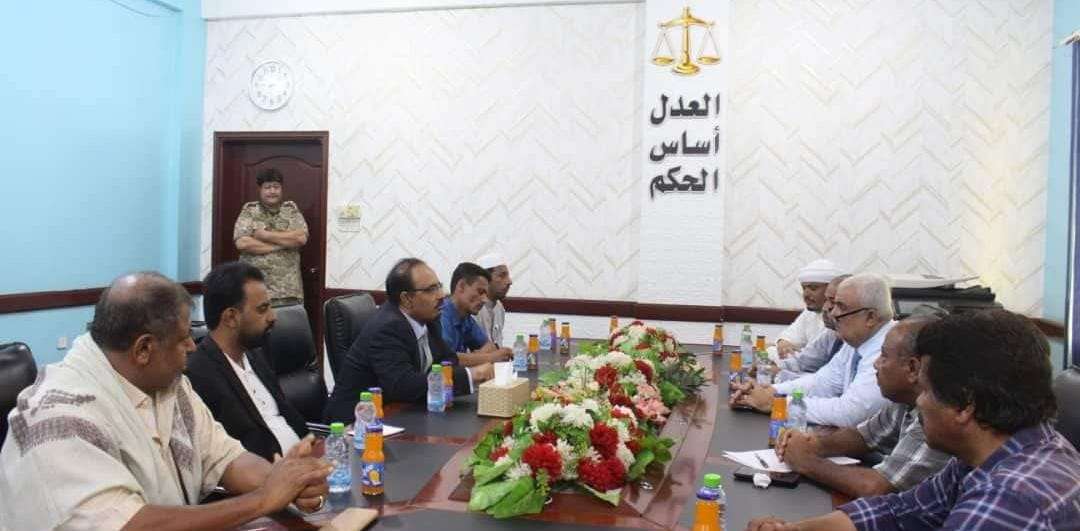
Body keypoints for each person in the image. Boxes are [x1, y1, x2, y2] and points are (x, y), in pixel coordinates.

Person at [0, 272, 330, 531]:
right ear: (144, 349)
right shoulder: (59, 417)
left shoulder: (166, 384)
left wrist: (288, 480)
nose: (193, 346)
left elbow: (224, 457)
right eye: (184, 338)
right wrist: (262, 500)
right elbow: (127, 525)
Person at [747, 310, 1080, 531]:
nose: (919, 401)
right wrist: (794, 529)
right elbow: (899, 512)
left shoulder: (1010, 500)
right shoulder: (985, 458)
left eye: (927, 390)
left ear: (965, 406)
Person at [775, 315, 950, 497]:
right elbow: (864, 436)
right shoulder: (903, 400)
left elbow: (878, 487)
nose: (876, 364)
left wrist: (807, 462)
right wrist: (814, 443)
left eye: (884, 356)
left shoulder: (937, 416)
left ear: (912, 368)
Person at [323, 258, 496, 421]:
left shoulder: (430, 319)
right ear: (406, 299)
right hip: (357, 423)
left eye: (439, 286)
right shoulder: (388, 327)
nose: (441, 295)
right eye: (431, 290)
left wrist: (481, 368)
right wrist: (471, 375)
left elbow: (447, 360)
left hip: (401, 413)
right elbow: (402, 385)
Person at [731, 274, 893, 427]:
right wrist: (771, 391)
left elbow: (849, 413)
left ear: (870, 317)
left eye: (841, 307)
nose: (833, 313)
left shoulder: (889, 349)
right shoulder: (856, 342)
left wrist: (775, 403)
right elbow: (822, 383)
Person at [186, 262, 307, 462]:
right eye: (262, 309)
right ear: (231, 317)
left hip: (306, 462)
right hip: (267, 474)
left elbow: (289, 417)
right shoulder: (199, 374)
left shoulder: (256, 355)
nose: (273, 317)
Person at [234, 168, 308, 305]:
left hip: (288, 290)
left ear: (281, 189)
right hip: (255, 289)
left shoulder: (291, 210)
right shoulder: (249, 211)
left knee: (291, 320)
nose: (272, 191)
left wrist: (265, 235)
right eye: (267, 187)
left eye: (276, 187)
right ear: (260, 189)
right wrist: (282, 243)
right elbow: (243, 243)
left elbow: (300, 238)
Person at [772, 274, 850, 381]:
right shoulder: (831, 332)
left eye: (813, 288)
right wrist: (770, 367)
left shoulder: (856, 341)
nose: (825, 307)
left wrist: (780, 373)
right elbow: (804, 360)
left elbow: (830, 383)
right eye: (804, 288)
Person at [439, 262, 512, 366]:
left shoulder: (465, 317)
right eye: (480, 292)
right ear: (461, 286)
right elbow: (447, 359)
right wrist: (491, 357)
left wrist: (473, 357)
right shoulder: (441, 315)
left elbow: (490, 346)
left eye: (486, 294)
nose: (484, 299)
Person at [776, 259, 845, 357]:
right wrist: (783, 343)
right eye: (804, 288)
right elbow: (788, 337)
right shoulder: (810, 312)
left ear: (831, 289)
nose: (806, 295)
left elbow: (815, 358)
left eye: (813, 288)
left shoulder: (840, 318)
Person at [474, 252, 512, 347]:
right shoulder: (474, 308)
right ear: (485, 279)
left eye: (508, 276)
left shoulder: (499, 307)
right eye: (502, 276)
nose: (509, 281)